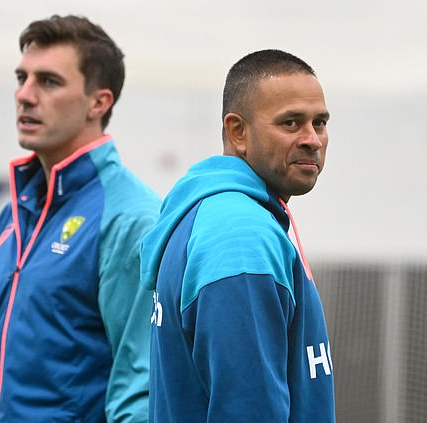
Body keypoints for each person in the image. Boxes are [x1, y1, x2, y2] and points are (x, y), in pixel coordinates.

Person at [0, 15, 160, 422]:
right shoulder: (12, 215)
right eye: (21, 78)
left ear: (98, 102)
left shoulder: (131, 218)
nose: (25, 95)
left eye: (48, 81)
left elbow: (140, 393)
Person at [140, 49, 336, 422]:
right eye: (291, 123)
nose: (312, 139)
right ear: (238, 131)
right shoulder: (240, 235)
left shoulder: (218, 215)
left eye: (320, 122)